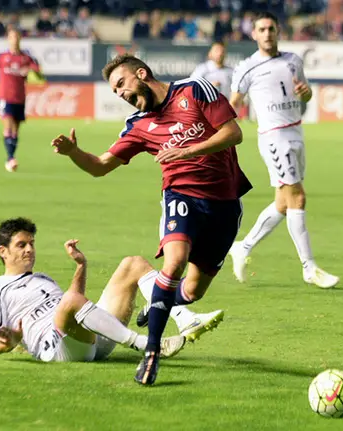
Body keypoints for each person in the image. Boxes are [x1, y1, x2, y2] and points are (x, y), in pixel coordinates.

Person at [50, 53, 252, 385]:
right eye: (115, 91)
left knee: (192, 291)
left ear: (142, 74)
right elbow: (100, 166)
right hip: (180, 197)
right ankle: (152, 353)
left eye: (121, 84)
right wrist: (74, 153)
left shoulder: (194, 90)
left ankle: (159, 300)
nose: (121, 94)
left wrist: (187, 150)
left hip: (224, 204)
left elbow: (233, 133)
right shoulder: (138, 125)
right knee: (174, 263)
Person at [228, 12, 339, 289]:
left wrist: (305, 93)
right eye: (262, 29)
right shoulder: (247, 68)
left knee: (283, 202)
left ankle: (243, 247)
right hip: (274, 138)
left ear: (278, 31)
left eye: (271, 29)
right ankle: (309, 268)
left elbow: (306, 94)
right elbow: (233, 105)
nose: (267, 33)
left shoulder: (293, 60)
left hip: (296, 133)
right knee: (297, 197)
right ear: (254, 34)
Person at [0, 217, 186, 362]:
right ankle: (148, 345)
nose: (29, 249)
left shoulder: (42, 278)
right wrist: (13, 340)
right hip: (58, 349)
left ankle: (183, 316)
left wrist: (81, 265)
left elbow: (76, 302)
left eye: (31, 243)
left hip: (88, 337)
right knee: (69, 299)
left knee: (133, 264)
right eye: (21, 245)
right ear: (3, 251)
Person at [0, 27, 41, 173]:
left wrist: (31, 72)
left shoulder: (26, 58)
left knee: (15, 130)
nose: (14, 40)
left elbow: (38, 74)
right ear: (8, 39)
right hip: (5, 97)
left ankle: (11, 157)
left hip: (20, 98)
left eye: (17, 36)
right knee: (8, 126)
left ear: (20, 38)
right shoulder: (2, 57)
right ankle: (10, 158)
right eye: (12, 37)